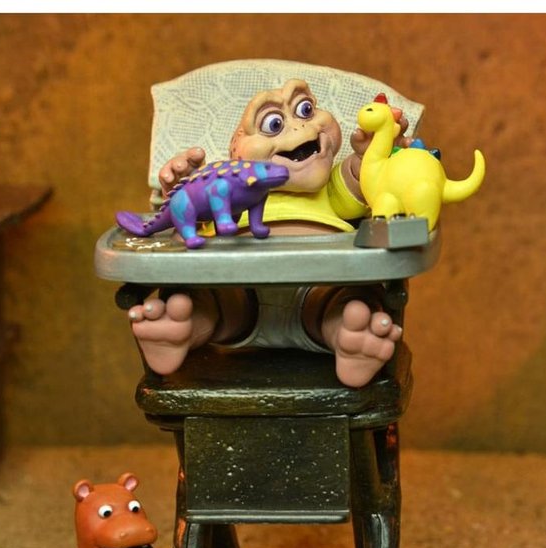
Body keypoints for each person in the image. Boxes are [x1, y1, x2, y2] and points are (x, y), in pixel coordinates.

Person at [128, 78, 412, 388]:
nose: (299, 128)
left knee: (351, 303)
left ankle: (350, 337)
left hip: (321, 287)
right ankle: (182, 328)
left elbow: (365, 181)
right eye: (273, 124)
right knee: (201, 300)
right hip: (237, 289)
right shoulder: (228, 194)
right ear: (235, 155)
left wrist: (374, 154)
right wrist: (188, 188)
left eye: (306, 110)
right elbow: (190, 228)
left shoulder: (332, 186)